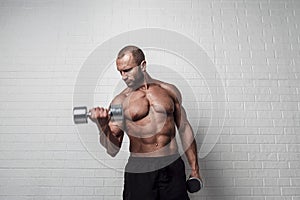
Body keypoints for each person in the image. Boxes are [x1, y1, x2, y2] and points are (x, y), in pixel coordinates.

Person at [90, 45, 202, 200]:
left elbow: (184, 129)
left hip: (172, 164)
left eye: (127, 70)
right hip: (140, 169)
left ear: (143, 65)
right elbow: (112, 150)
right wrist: (102, 126)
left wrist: (195, 170)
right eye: (120, 72)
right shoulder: (119, 102)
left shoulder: (169, 91)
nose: (123, 76)